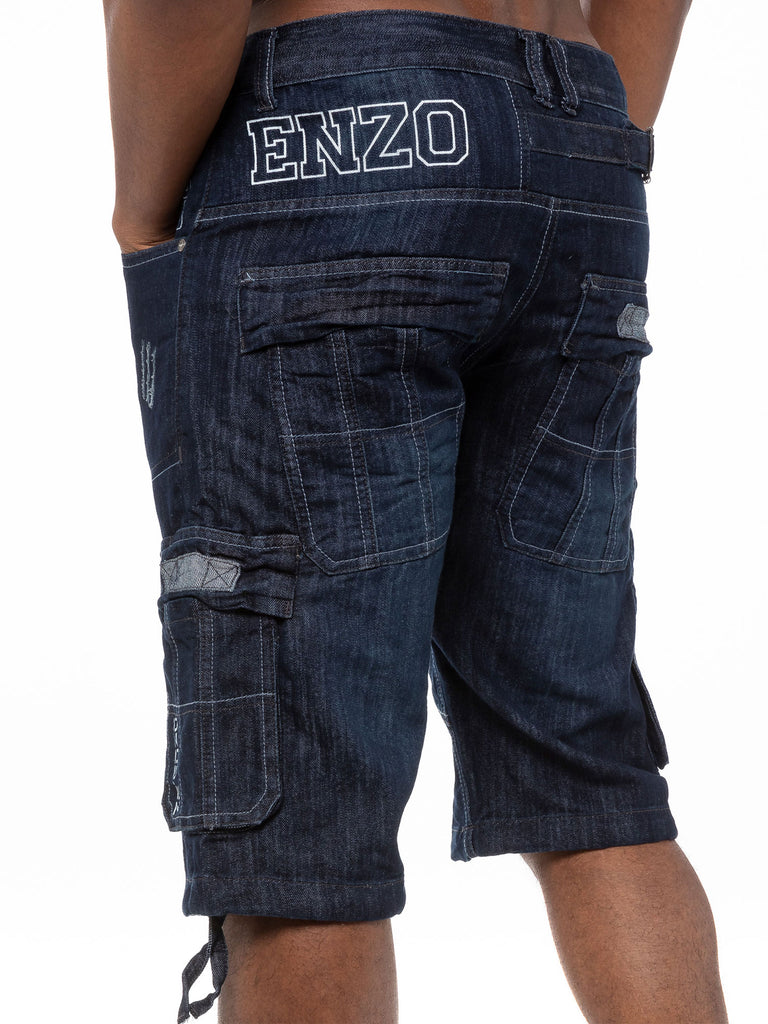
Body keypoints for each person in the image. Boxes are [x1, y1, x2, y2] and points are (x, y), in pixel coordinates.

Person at [103, 1, 730, 1021]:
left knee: (304, 805)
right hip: (577, 134)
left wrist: (143, 208)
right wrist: (578, 133)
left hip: (331, 133)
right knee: (582, 760)